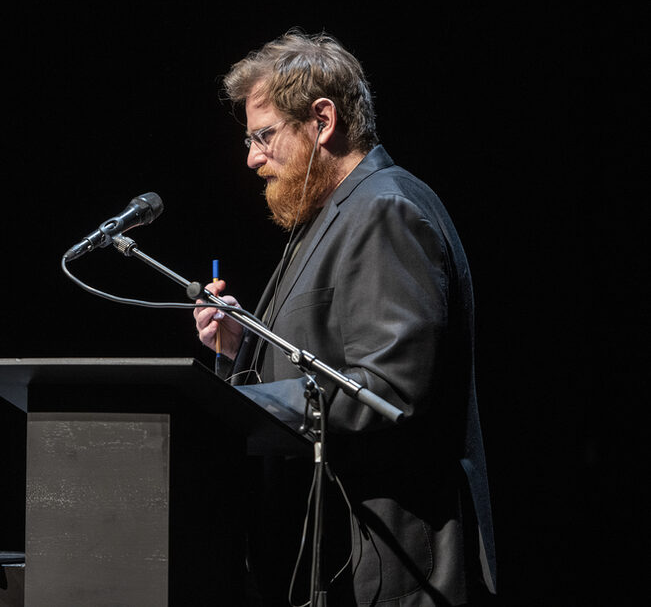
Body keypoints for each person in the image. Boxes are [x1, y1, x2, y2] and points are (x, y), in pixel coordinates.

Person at [194, 31, 497, 606]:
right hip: (336, 557)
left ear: (322, 120)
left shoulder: (386, 209)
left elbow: (390, 390)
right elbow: (324, 361)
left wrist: (248, 407)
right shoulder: (329, 215)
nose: (252, 158)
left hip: (395, 565)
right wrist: (246, 350)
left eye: (263, 135)